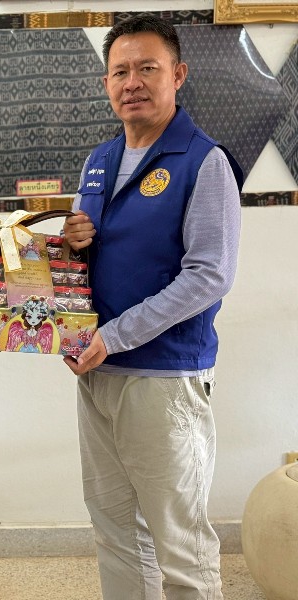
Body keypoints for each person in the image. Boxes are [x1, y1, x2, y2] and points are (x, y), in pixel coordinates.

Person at [62, 15, 243, 600]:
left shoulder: (204, 161)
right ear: (106, 82)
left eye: (147, 68)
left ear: (178, 74)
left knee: (180, 543)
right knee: (115, 531)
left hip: (164, 378)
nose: (132, 82)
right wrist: (72, 244)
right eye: (120, 71)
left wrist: (115, 336)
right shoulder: (98, 159)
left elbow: (210, 275)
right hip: (97, 372)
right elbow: (92, 258)